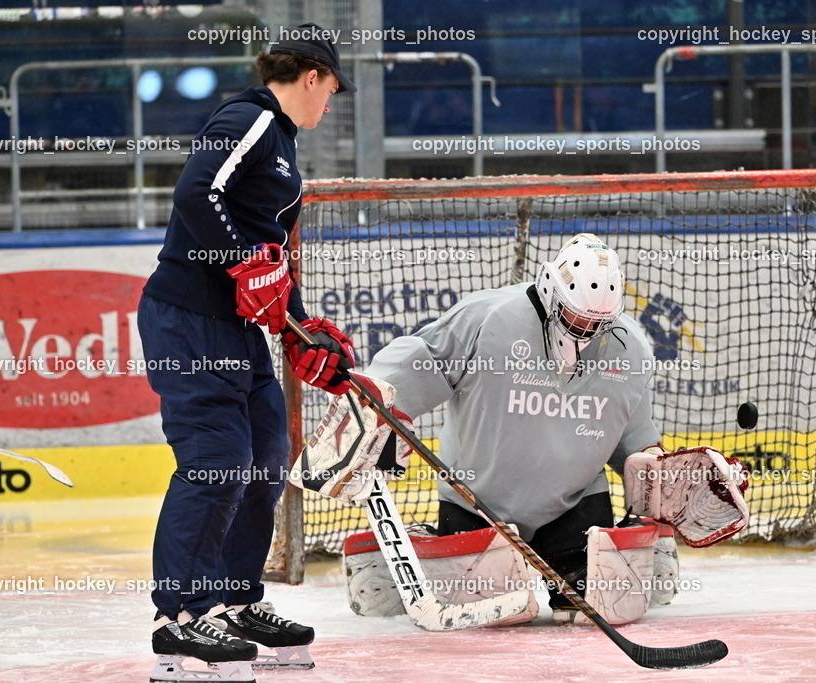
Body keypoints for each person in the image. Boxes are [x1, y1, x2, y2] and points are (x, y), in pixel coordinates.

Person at [296, 233, 749, 626]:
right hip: (477, 503)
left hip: (573, 505)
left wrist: (661, 480)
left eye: (599, 324)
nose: (587, 331)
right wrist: (379, 400)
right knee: (491, 612)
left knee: (600, 605)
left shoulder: (628, 348)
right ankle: (420, 547)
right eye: (578, 318)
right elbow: (423, 357)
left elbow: (633, 438)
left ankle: (627, 558)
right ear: (552, 291)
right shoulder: (488, 317)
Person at [138, 24, 356, 677]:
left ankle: (233, 600)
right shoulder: (250, 119)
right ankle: (178, 616)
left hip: (235, 329)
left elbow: (268, 269)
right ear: (312, 75)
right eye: (332, 90)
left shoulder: (283, 146)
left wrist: (303, 332)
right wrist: (240, 264)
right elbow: (195, 194)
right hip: (187, 318)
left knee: (265, 456)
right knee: (216, 460)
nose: (329, 105)